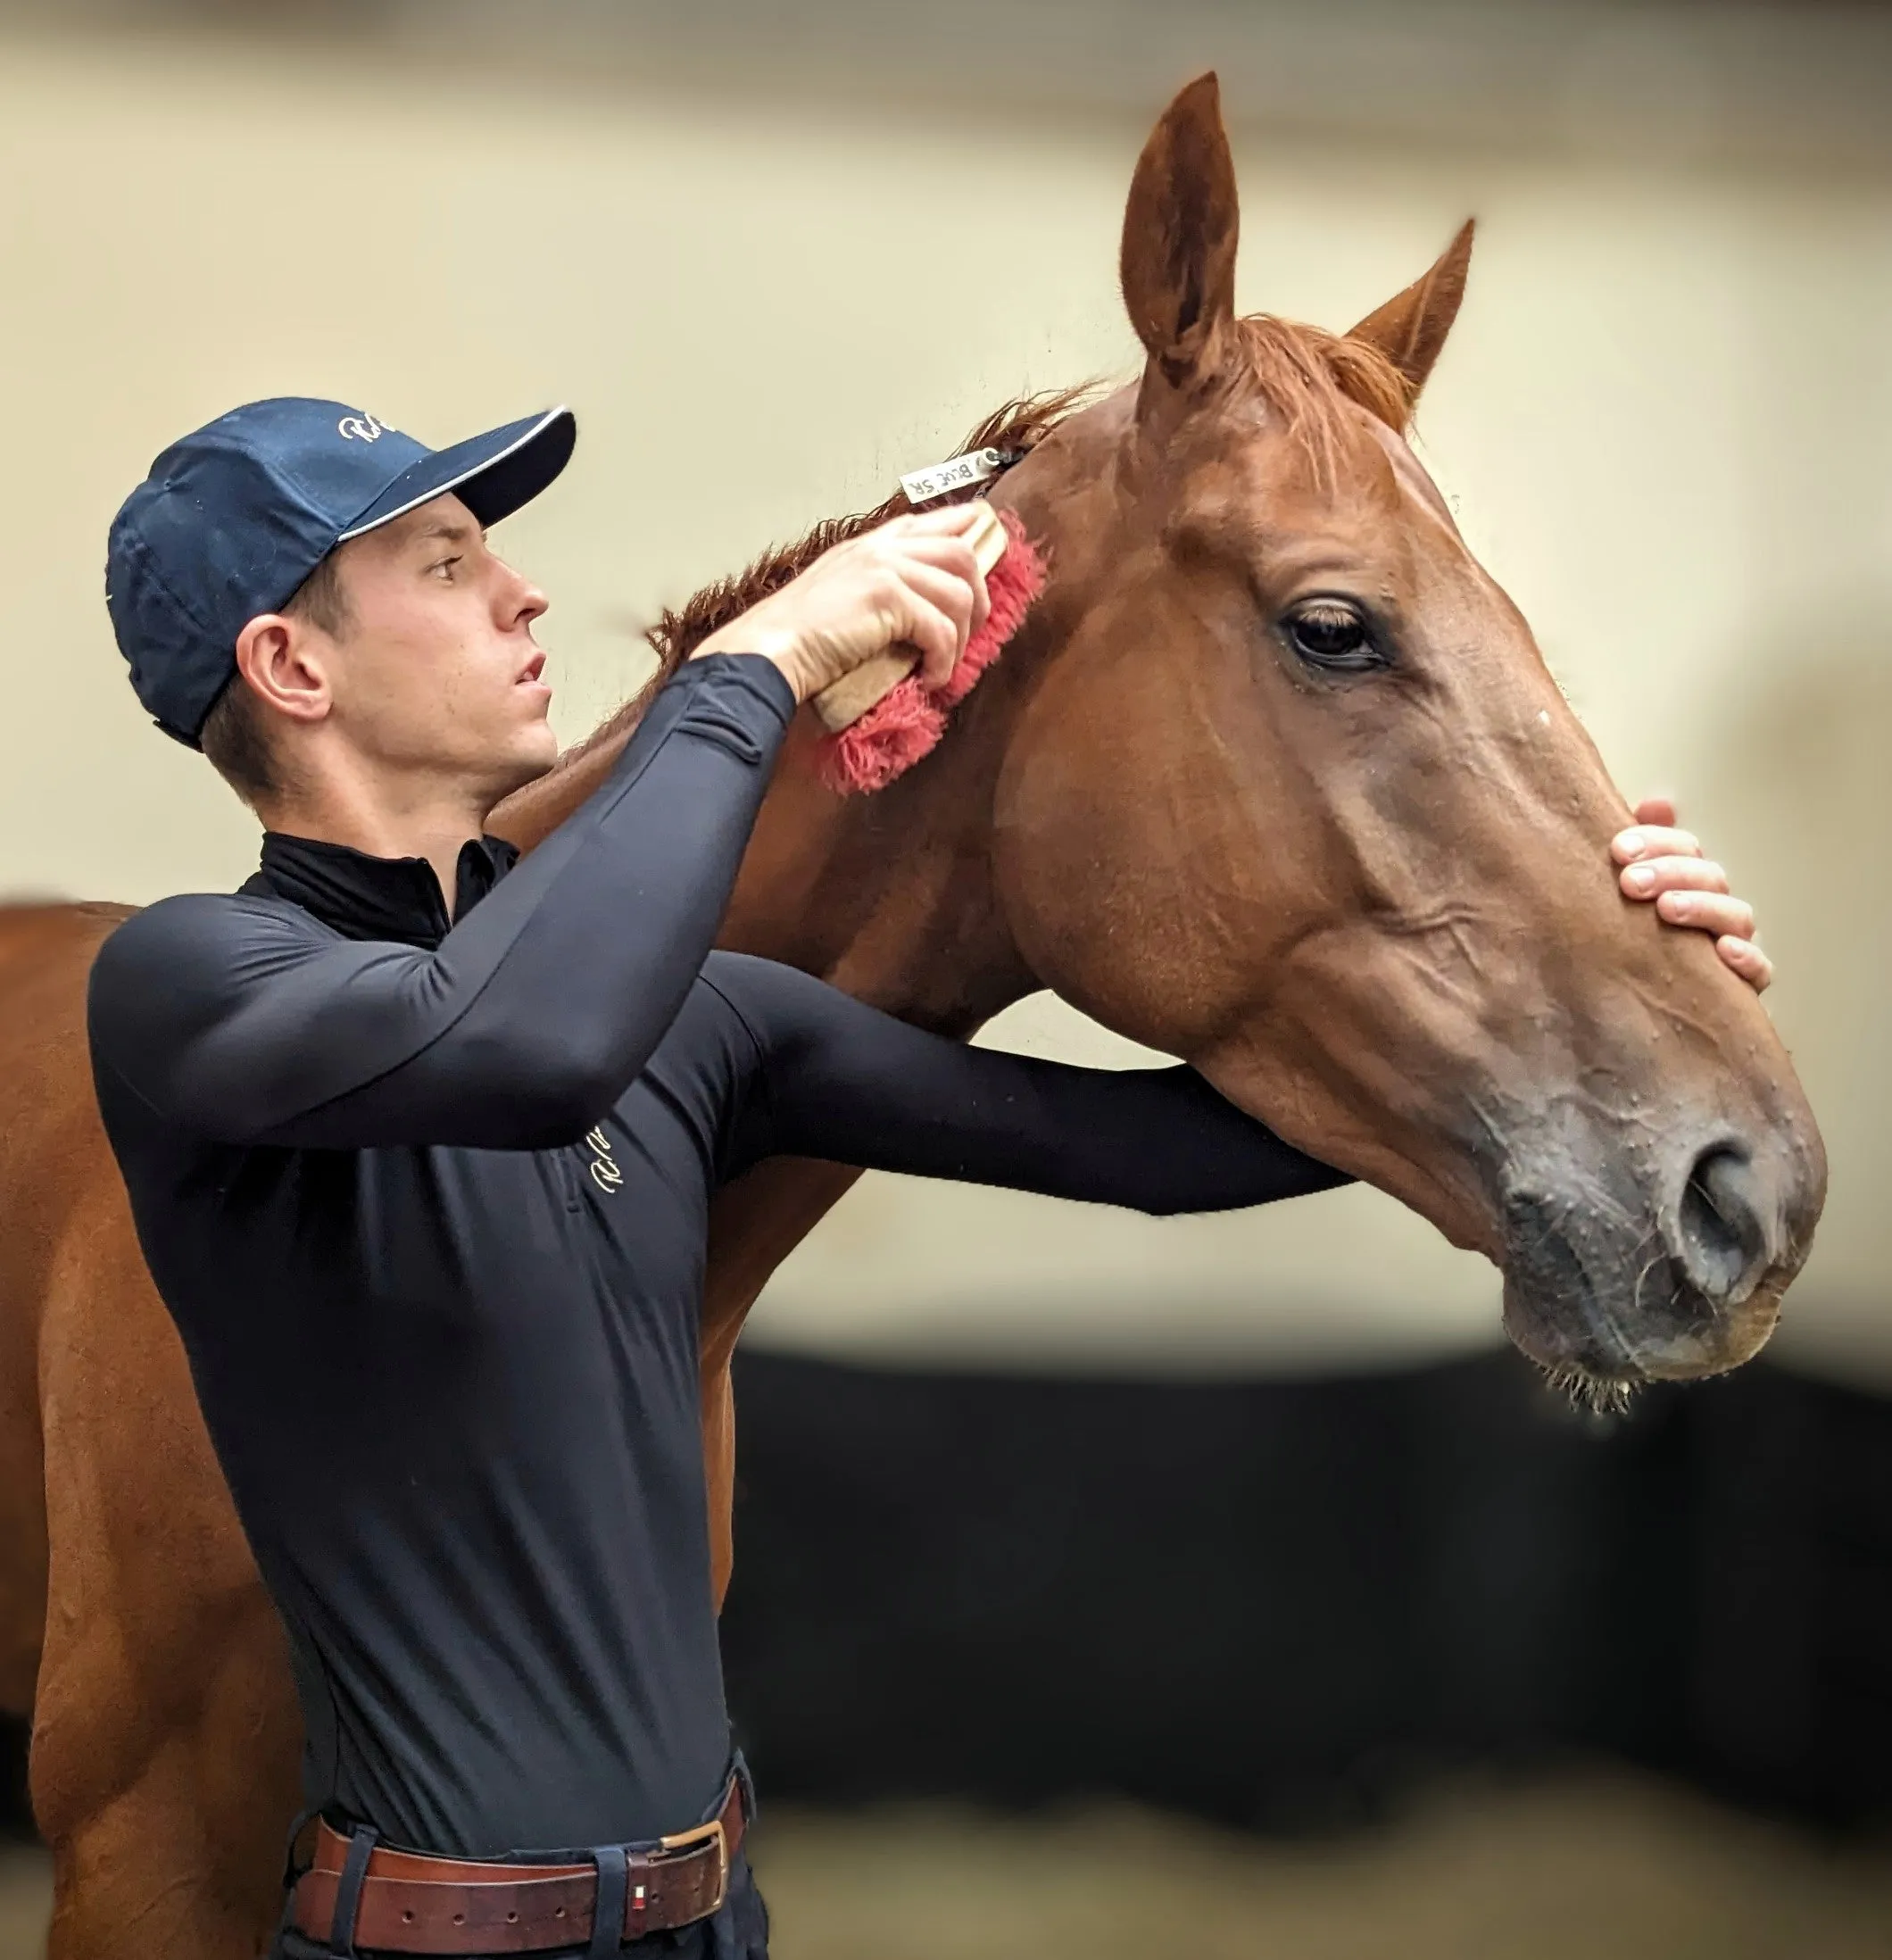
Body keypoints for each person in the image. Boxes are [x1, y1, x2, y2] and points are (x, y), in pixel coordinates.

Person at [87, 399, 1768, 1960]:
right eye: (449, 567)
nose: (525, 595)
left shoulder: (706, 1026)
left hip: (709, 1917)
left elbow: (1151, 1155)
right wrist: (751, 668)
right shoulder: (192, 984)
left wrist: (1603, 1003)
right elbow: (520, 1045)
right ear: (290, 667)